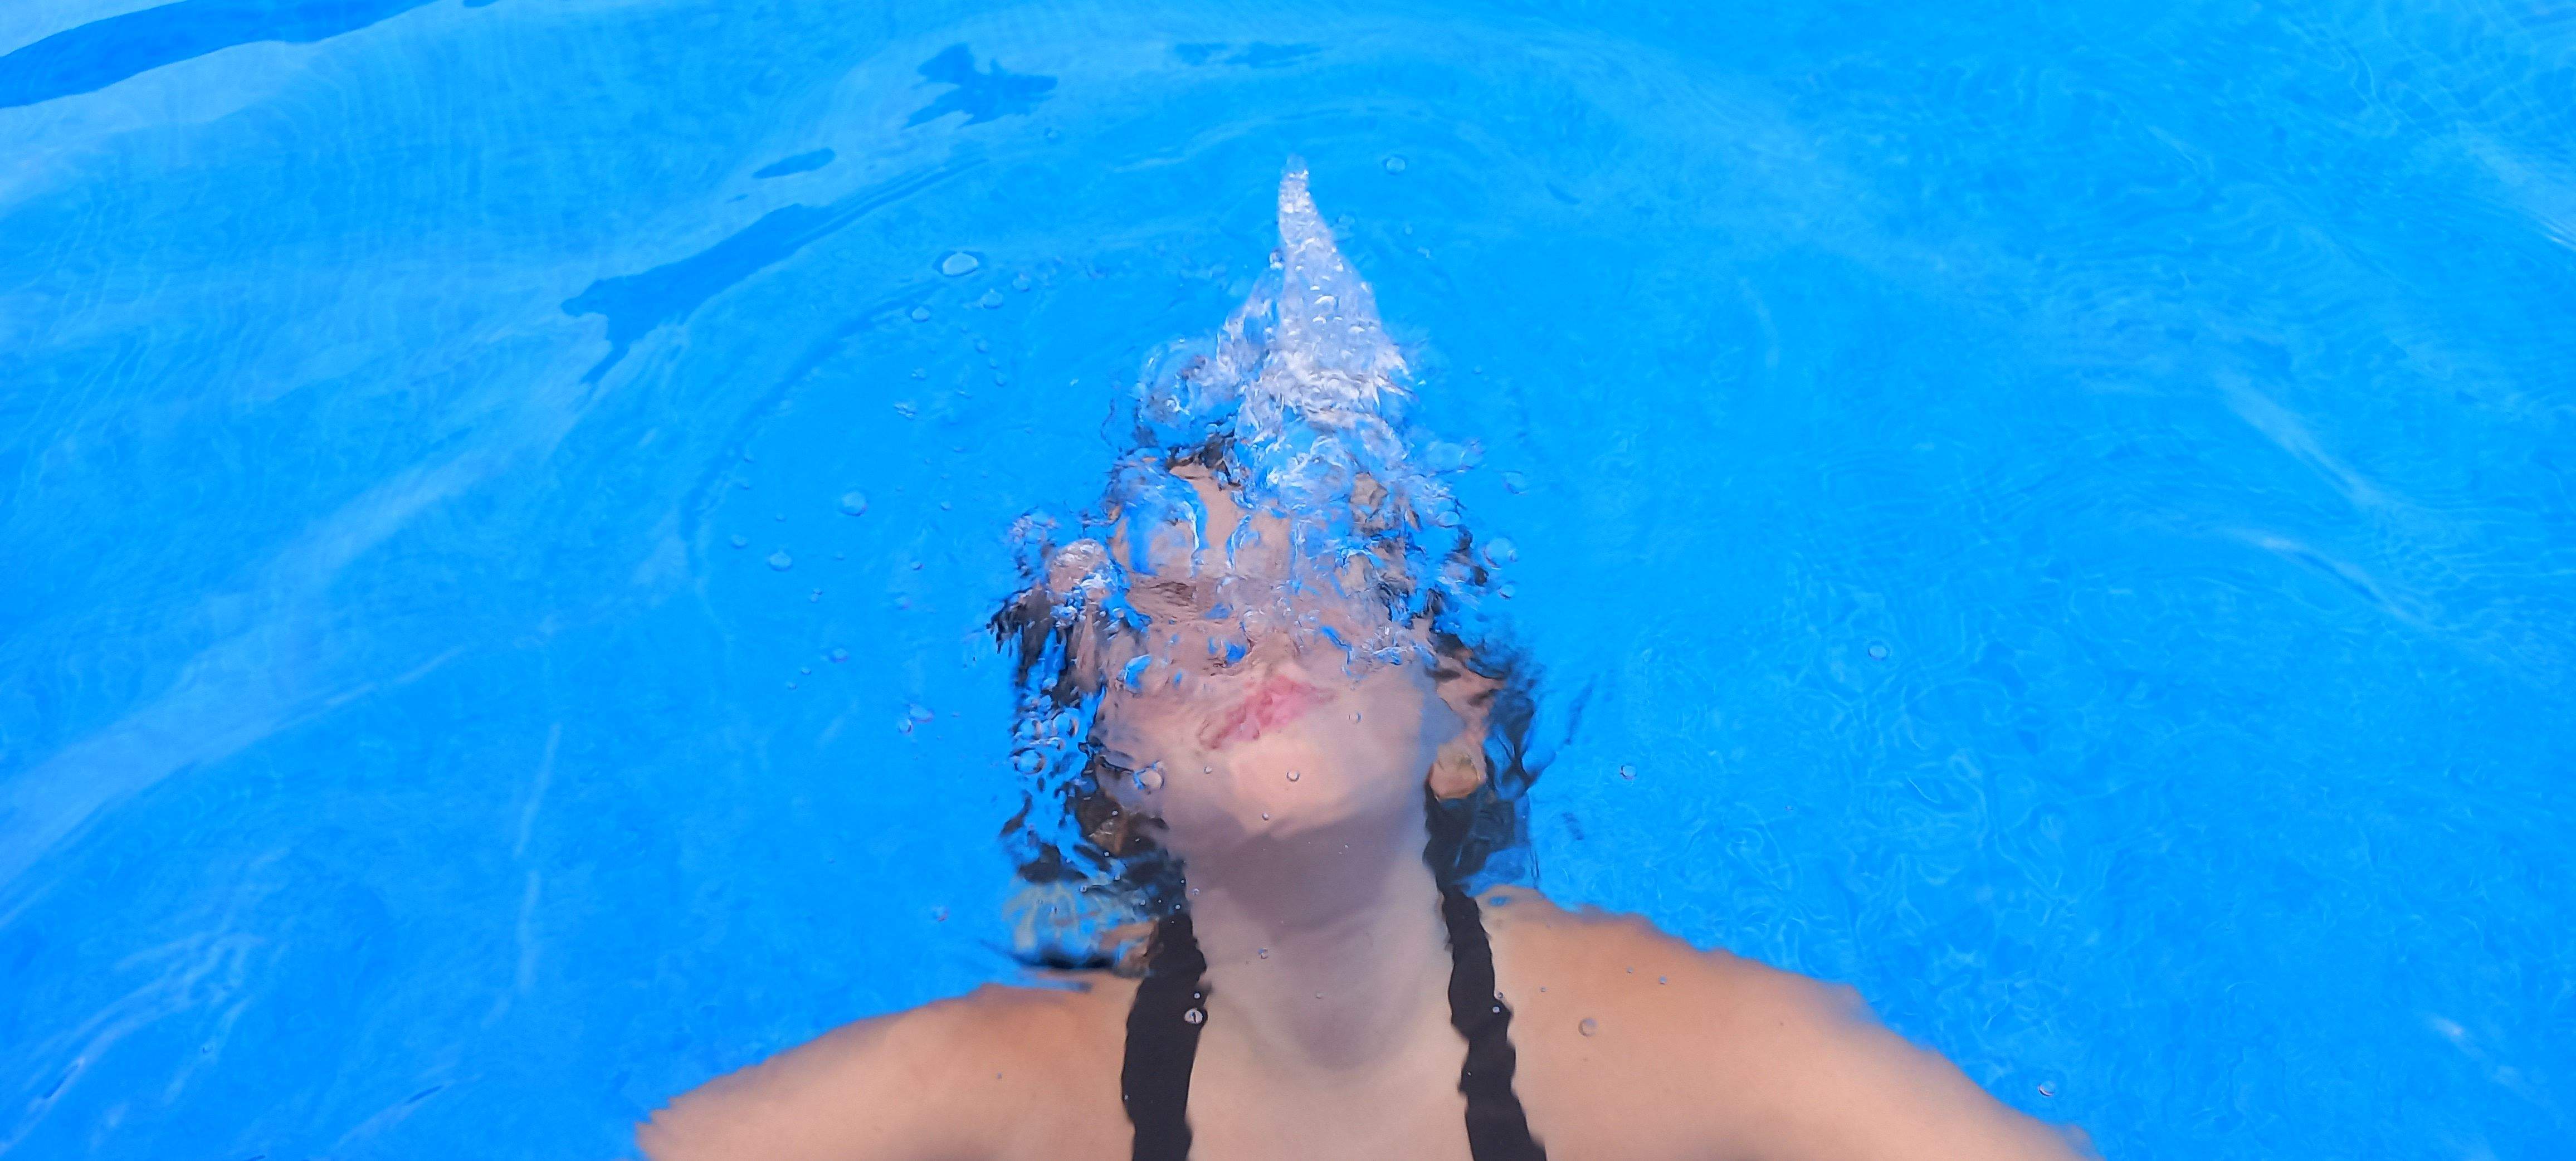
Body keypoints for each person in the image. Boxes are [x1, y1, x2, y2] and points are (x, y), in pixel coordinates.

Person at [638, 164, 2090, 1161]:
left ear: (1456, 718)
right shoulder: (1017, 1084)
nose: (1249, 629)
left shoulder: (1657, 1036)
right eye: (1161, 613)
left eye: (1322, 580)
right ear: (1112, 782)